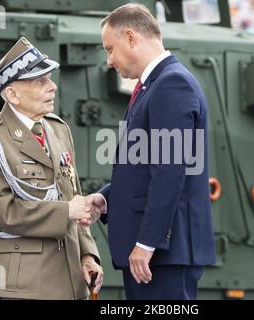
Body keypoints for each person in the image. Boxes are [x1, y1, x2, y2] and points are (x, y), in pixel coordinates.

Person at [83, 3, 216, 300]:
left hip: (162, 255)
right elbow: (143, 165)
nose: (109, 61)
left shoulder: (171, 84)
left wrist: (147, 243)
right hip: (158, 254)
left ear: (131, 38)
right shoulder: (154, 85)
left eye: (110, 49)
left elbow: (169, 172)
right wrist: (107, 197)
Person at [0, 37, 103, 300]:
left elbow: (72, 198)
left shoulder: (58, 129)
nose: (52, 87)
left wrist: (87, 254)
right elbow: (1, 212)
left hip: (71, 281)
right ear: (12, 94)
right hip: (24, 284)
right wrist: (67, 211)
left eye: (50, 79)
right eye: (40, 81)